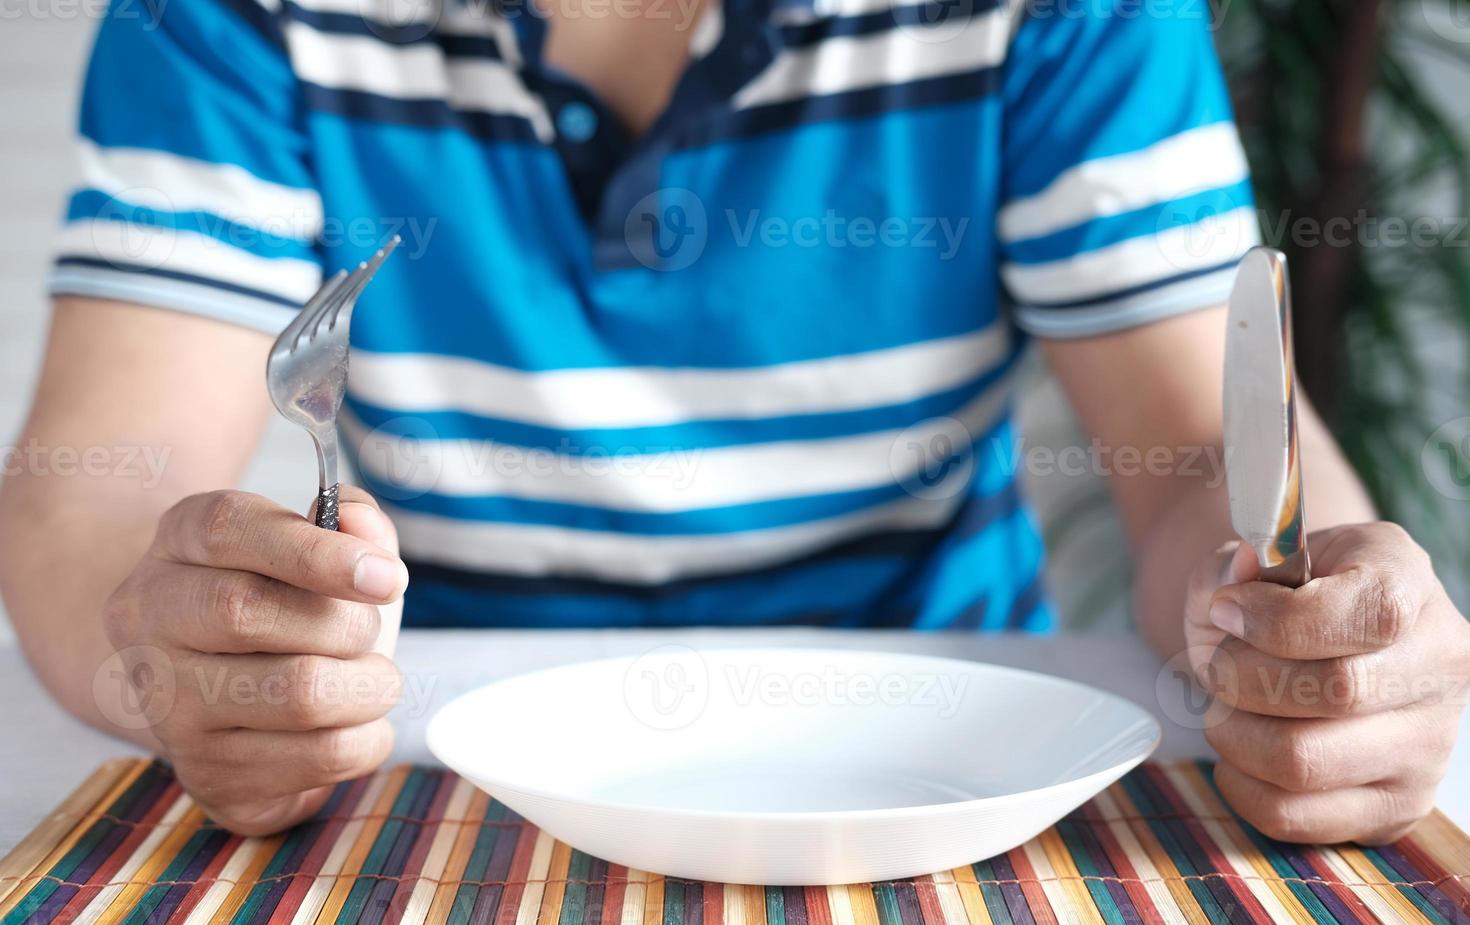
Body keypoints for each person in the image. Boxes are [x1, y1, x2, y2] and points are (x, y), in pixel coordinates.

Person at [1, 0, 1465, 842]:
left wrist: (1313, 622)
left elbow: (1199, 472)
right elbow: (89, 501)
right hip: (445, 764)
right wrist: (178, 655)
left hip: (958, 751)